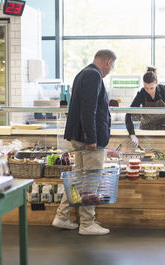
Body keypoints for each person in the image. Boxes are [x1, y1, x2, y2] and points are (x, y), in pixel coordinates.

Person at [52, 49, 117, 235]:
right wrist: (91, 138)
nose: (110, 70)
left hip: (79, 137)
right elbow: (89, 110)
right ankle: (87, 224)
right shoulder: (94, 75)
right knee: (91, 181)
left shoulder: (83, 73)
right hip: (88, 140)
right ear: (108, 61)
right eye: (112, 66)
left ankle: (62, 216)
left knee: (78, 179)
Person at [125, 66, 165, 147]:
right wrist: (132, 134)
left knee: (162, 150)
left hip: (163, 127)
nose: (149, 91)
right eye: (146, 88)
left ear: (156, 83)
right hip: (146, 128)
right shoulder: (141, 93)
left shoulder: (164, 90)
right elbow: (129, 113)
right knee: (146, 152)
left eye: (151, 88)